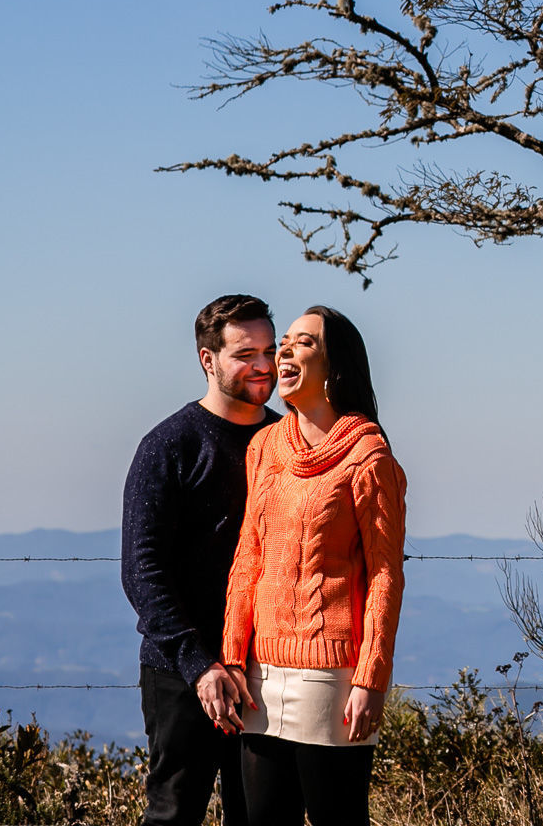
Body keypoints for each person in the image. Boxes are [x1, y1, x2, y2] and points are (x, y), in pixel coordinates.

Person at [222, 306, 407, 826]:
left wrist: (371, 677)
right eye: (284, 342)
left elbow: (384, 575)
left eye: (302, 343)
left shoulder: (368, 457)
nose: (283, 351)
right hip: (260, 672)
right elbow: (247, 560)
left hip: (333, 678)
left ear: (335, 366)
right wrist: (234, 657)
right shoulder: (264, 448)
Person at [123, 294, 282, 826]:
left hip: (271, 669)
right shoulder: (168, 446)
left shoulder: (290, 442)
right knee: (173, 814)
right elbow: (142, 571)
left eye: (269, 349)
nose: (263, 365)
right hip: (183, 671)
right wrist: (200, 665)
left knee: (264, 816)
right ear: (207, 360)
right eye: (245, 354)